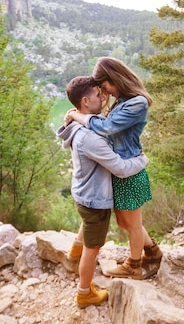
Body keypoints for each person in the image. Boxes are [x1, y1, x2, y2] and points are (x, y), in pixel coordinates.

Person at [66, 57, 162, 280]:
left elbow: (107, 127)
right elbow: (103, 124)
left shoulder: (137, 102)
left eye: (104, 86)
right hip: (121, 168)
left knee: (133, 224)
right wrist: (78, 114)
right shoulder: (122, 100)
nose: (104, 92)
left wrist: (77, 115)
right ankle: (152, 252)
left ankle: (134, 265)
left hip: (129, 169)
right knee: (125, 222)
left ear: (114, 79)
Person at [57, 76, 149, 308]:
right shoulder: (90, 138)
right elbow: (119, 167)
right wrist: (142, 161)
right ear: (86, 101)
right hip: (94, 199)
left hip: (84, 192)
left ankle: (72, 256)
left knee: (87, 232)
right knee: (93, 248)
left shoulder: (79, 124)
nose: (104, 97)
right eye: (100, 95)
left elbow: (98, 121)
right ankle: (84, 293)